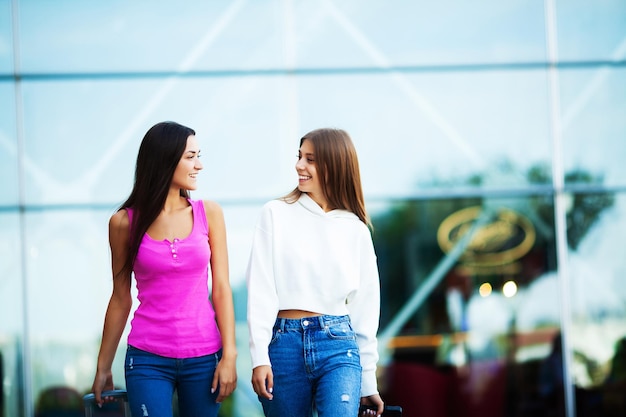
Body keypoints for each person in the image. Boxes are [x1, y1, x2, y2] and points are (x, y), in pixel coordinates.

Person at [90, 121, 237, 417]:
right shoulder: (123, 223)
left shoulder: (210, 213)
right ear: (166, 159)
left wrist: (230, 354)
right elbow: (120, 298)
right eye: (191, 157)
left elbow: (221, 288)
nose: (200, 165)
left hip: (204, 357)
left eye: (199, 155)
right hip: (147, 359)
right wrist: (103, 366)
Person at [246, 128, 385, 417]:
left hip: (338, 345)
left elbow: (366, 309)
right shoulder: (274, 213)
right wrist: (259, 357)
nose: (299, 165)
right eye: (299, 157)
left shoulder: (356, 229)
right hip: (283, 346)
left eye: (310, 159)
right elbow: (261, 293)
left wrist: (368, 382)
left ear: (334, 165)